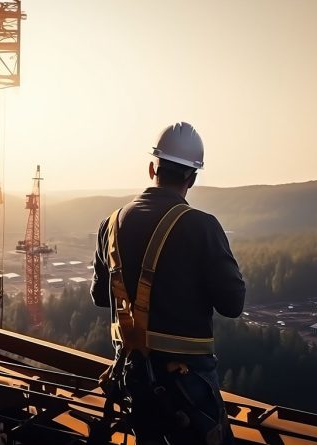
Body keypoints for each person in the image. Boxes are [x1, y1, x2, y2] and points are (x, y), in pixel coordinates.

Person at [90, 122, 246, 445]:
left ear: (152, 168)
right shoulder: (203, 228)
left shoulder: (110, 225)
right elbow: (233, 305)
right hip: (190, 390)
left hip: (134, 382)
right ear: (193, 178)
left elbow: (100, 297)